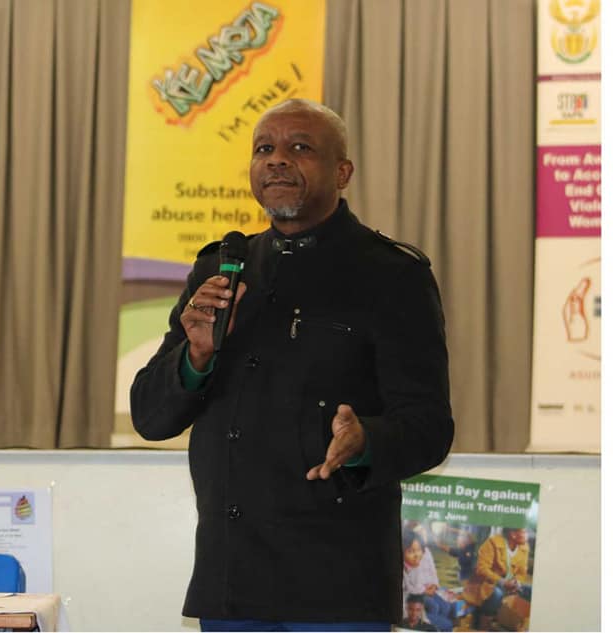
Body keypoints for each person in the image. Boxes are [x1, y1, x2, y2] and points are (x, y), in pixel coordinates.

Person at [130, 98, 454, 631]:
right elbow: (150, 417)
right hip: (232, 582)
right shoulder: (220, 268)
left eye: (300, 147)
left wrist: (365, 441)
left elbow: (430, 426)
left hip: (338, 584)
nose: (277, 160)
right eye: (264, 149)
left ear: (342, 173)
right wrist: (195, 356)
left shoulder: (392, 274)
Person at [466, 527, 532, 628]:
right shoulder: (492, 543)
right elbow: (481, 569)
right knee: (497, 593)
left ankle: (514, 622)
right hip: (487, 585)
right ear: (513, 534)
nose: (527, 535)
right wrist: (502, 582)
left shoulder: (524, 547)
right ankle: (483, 624)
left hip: (509, 585)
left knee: (530, 591)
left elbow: (521, 572)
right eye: (524, 532)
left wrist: (516, 582)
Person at [402, 529, 461, 630]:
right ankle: (432, 627)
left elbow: (433, 571)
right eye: (411, 551)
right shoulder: (409, 566)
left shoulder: (423, 555)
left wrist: (434, 584)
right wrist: (425, 591)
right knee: (434, 606)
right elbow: (412, 589)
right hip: (416, 597)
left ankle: (437, 627)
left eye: (419, 550)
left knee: (445, 606)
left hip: (426, 589)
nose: (416, 554)